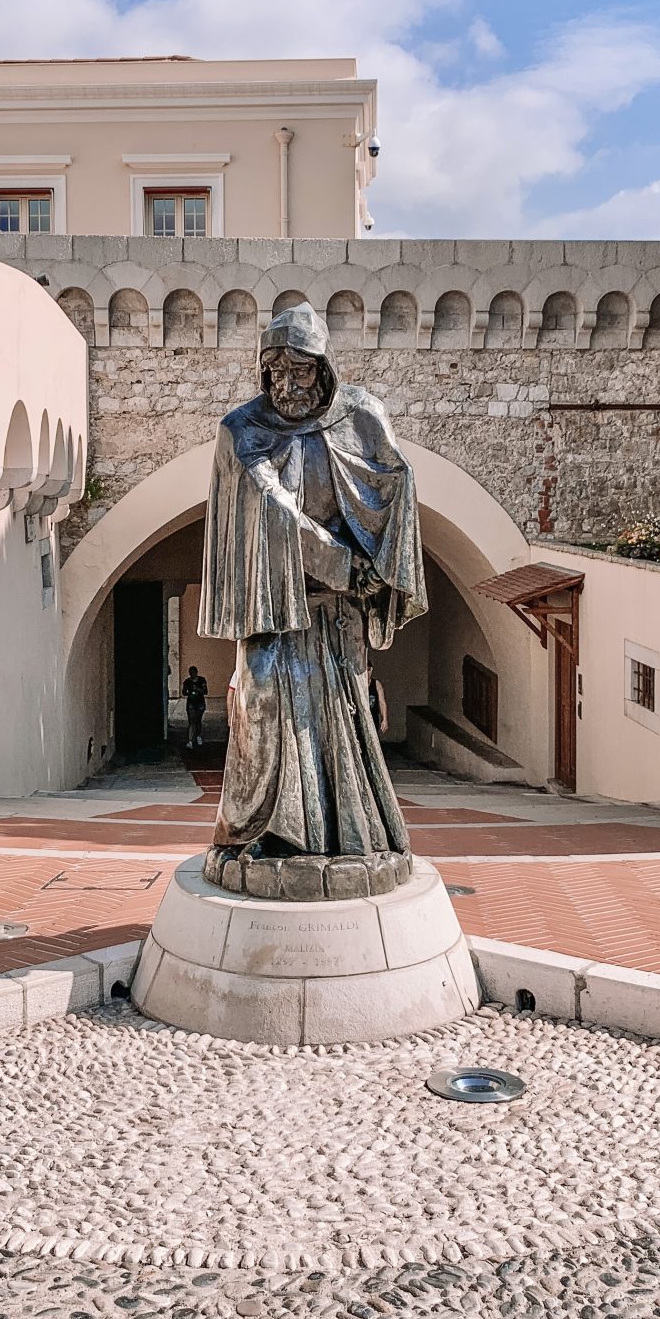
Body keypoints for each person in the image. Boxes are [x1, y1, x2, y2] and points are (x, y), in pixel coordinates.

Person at [199, 301, 427, 895]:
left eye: (300, 372)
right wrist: (341, 559)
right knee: (264, 697)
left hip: (337, 610)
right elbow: (267, 504)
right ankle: (260, 828)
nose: (287, 385)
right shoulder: (242, 430)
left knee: (340, 715)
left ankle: (347, 833)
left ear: (323, 370)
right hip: (275, 604)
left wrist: (378, 560)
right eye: (275, 373)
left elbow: (395, 482)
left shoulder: (361, 417)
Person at [181, 665, 208, 750]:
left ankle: (198, 735)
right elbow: (184, 692)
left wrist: (198, 689)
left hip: (200, 703)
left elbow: (205, 691)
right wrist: (188, 692)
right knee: (192, 721)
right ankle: (190, 740)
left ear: (196, 672)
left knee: (198, 720)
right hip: (191, 703)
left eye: (193, 673)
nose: (191, 674)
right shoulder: (187, 682)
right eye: (190, 673)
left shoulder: (202, 680)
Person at [367, 663, 388, 738]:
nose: (366, 673)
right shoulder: (357, 685)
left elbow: (382, 702)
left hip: (373, 717)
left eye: (368, 669)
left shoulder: (376, 684)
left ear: (371, 670)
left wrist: (384, 719)